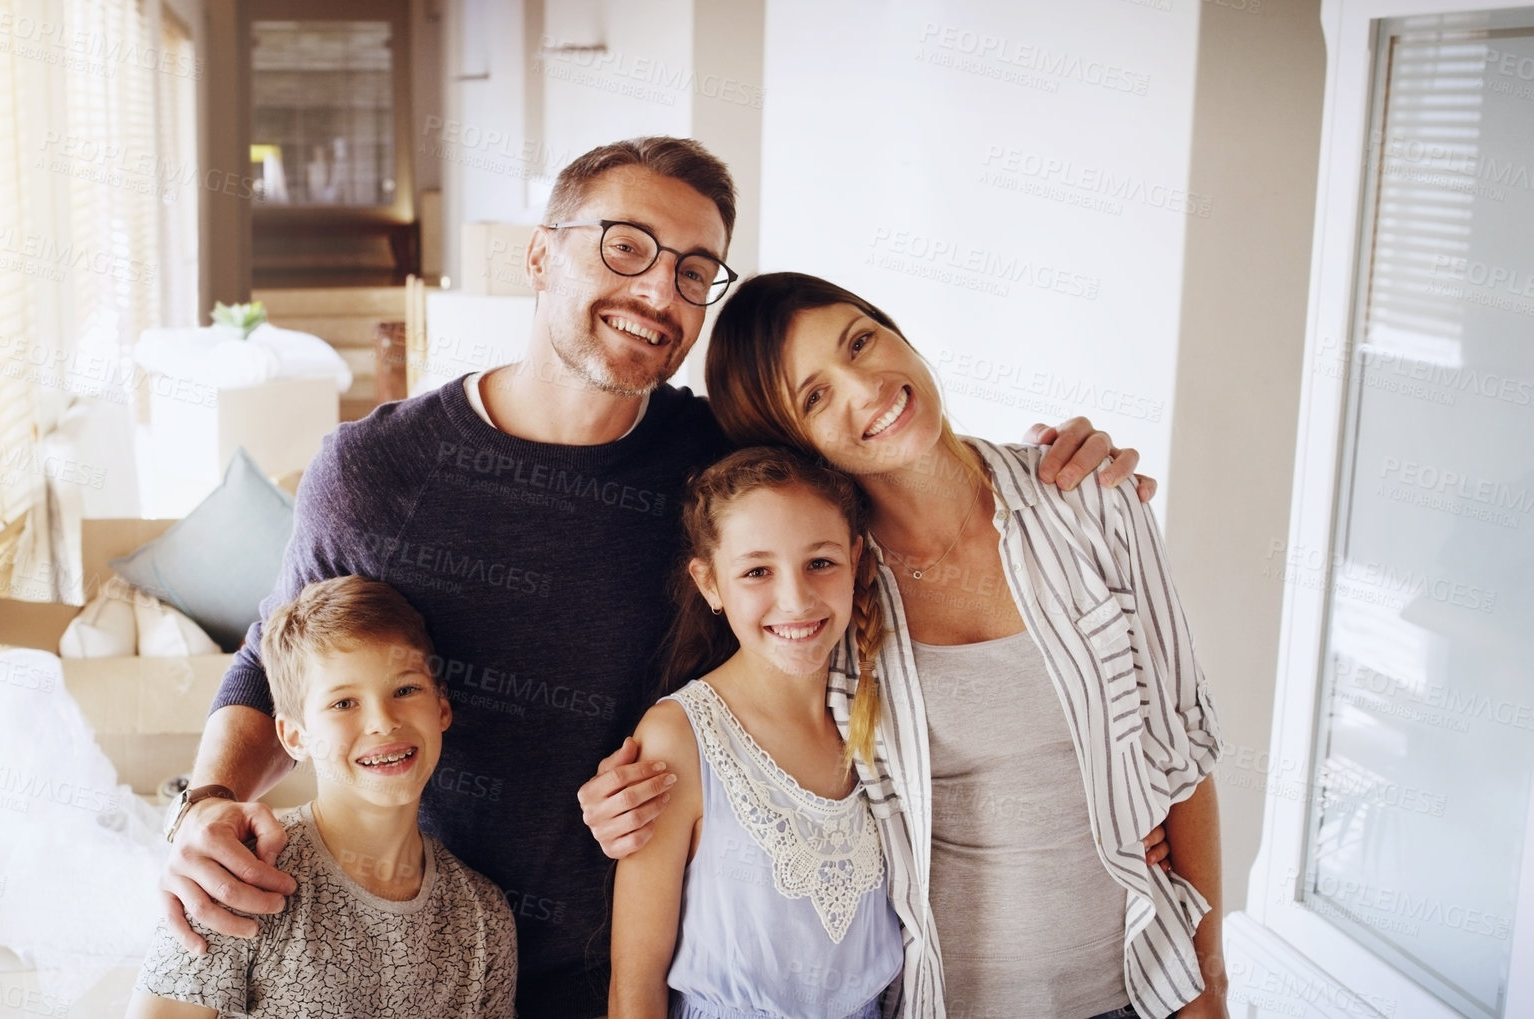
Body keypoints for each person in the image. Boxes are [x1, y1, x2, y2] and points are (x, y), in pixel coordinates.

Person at [159, 136, 1152, 1019]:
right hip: (449, 949)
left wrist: (1048, 470)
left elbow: (871, 466)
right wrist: (207, 795)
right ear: (540, 254)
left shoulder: (714, 460)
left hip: (677, 961)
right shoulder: (377, 471)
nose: (657, 291)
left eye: (693, 270)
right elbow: (273, 651)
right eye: (625, 246)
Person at [592, 272, 1226, 1019]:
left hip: (1144, 985)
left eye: (860, 342)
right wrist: (632, 797)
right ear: (796, 442)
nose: (867, 388)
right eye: (817, 396)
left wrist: (1209, 981)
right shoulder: (832, 593)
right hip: (943, 1001)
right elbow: (754, 751)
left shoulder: (1090, 499)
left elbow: (1185, 756)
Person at [130, 575, 517, 1018]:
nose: (383, 722)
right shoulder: (233, 880)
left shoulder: (484, 916)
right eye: (343, 703)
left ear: (442, 708)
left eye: (405, 690)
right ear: (294, 736)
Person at [609, 447, 902, 1019]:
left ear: (856, 558)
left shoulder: (881, 716)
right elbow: (634, 982)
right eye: (757, 571)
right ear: (710, 583)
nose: (795, 599)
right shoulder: (680, 738)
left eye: (820, 562)